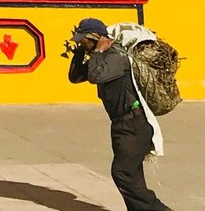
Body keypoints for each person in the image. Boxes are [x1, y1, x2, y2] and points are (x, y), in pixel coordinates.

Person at [68, 18, 171, 210]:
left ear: (97, 38)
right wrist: (80, 51)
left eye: (84, 41)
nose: (81, 43)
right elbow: (75, 77)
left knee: (122, 173)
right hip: (122, 125)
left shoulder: (116, 57)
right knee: (132, 176)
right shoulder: (100, 59)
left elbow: (95, 76)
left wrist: (98, 51)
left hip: (134, 124)